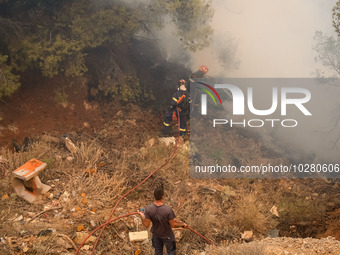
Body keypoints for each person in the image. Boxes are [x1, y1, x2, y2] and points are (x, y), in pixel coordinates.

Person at [138, 186, 188, 255]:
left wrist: (142, 215)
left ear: (154, 196)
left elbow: (146, 225)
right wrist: (182, 225)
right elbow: (173, 224)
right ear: (162, 196)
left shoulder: (148, 209)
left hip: (156, 235)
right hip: (168, 235)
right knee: (171, 252)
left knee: (158, 252)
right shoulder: (168, 210)